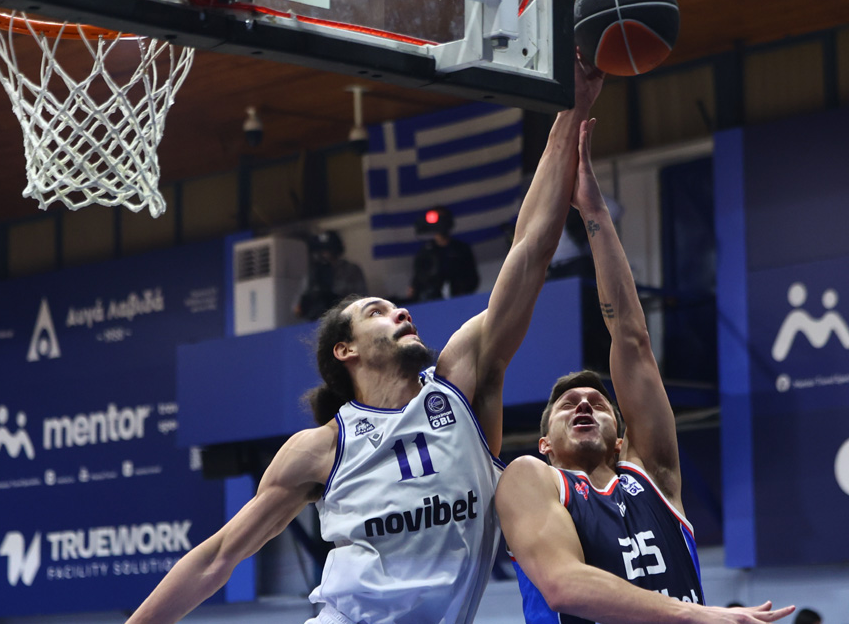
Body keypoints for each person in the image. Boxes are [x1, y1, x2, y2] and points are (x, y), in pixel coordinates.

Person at [124, 60, 603, 624]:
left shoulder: (461, 386)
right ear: (344, 351)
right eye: (376, 311)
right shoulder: (319, 449)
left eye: (398, 306)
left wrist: (572, 108)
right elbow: (218, 557)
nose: (401, 310)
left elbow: (530, 250)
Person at [496, 119, 796, 624]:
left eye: (599, 403)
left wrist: (595, 214)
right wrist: (699, 615)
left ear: (620, 440)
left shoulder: (653, 477)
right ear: (544, 443)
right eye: (567, 405)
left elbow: (632, 340)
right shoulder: (532, 479)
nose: (585, 403)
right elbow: (565, 586)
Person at [406, 206, 479, 302]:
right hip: (431, 301)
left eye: (440, 219)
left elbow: (472, 278)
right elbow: (417, 279)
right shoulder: (425, 252)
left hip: (460, 299)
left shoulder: (461, 249)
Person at [296, 230, 367, 321]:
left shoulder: (351, 270)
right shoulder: (313, 273)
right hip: (315, 322)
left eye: (329, 250)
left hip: (344, 320)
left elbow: (362, 301)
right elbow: (297, 309)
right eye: (322, 250)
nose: (325, 254)